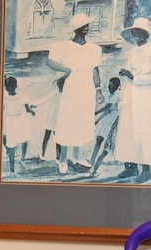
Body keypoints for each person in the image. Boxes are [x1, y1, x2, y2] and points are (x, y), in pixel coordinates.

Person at [46, 13, 104, 175]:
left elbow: (95, 70)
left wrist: (98, 91)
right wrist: (66, 70)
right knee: (68, 121)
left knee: (82, 120)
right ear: (77, 29)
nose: (87, 27)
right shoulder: (65, 46)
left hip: (87, 88)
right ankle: (63, 159)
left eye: (87, 25)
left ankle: (77, 156)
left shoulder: (94, 49)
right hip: (72, 86)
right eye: (84, 25)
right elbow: (50, 61)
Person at [114, 17, 151, 184]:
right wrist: (125, 76)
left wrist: (135, 77)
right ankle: (131, 166)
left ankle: (146, 169)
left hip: (144, 97)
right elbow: (128, 73)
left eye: (139, 31)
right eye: (134, 31)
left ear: (146, 34)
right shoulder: (132, 52)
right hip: (130, 95)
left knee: (143, 131)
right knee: (128, 130)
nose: (135, 34)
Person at [2, 76, 34, 174]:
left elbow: (2, 109)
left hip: (10, 120)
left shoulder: (3, 98)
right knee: (24, 140)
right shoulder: (22, 96)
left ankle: (12, 169)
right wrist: (32, 111)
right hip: (20, 120)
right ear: (16, 86)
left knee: (11, 144)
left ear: (5, 87)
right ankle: (22, 159)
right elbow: (28, 109)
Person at [90, 77, 121, 175]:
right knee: (99, 140)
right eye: (109, 84)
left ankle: (94, 165)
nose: (109, 87)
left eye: (111, 85)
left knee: (107, 146)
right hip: (107, 120)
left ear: (116, 86)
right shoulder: (111, 95)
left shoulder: (116, 95)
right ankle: (92, 161)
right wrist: (98, 119)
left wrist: (97, 112)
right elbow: (108, 110)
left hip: (113, 122)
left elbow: (108, 107)